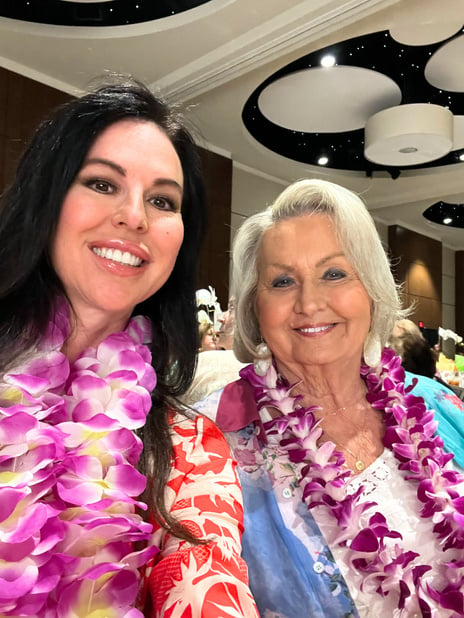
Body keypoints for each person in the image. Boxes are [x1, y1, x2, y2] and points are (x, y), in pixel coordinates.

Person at [0, 77, 258, 617]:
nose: (135, 216)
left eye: (163, 199)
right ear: (47, 197)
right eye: (101, 183)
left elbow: (207, 582)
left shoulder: (191, 449)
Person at [195, 178, 464, 617]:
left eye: (334, 273)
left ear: (372, 292)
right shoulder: (209, 443)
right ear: (253, 309)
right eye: (282, 281)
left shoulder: (438, 404)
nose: (310, 301)